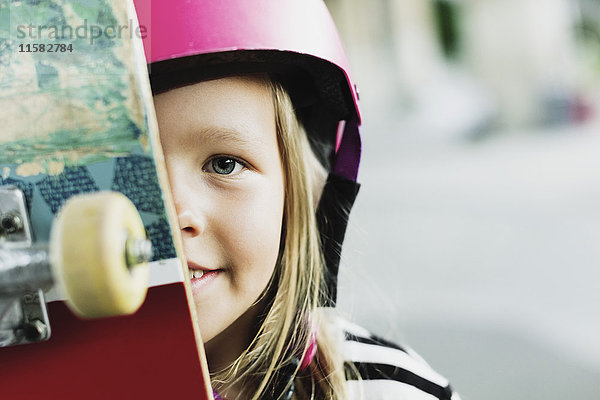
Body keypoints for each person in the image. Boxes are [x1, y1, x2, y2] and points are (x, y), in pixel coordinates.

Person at [135, 1, 460, 399]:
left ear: (297, 192)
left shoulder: (393, 391)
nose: (173, 215)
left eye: (224, 164)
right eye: (130, 170)